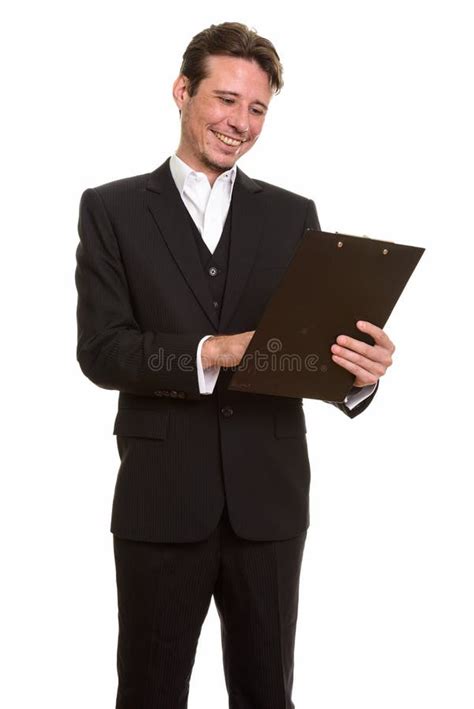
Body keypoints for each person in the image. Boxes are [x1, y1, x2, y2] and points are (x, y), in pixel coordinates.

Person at [75, 21, 395, 709]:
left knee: (267, 695)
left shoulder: (291, 214)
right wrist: (211, 350)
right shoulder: (112, 210)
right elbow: (101, 349)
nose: (239, 122)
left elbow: (308, 348)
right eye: (225, 100)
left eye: (256, 109)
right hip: (160, 501)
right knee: (150, 695)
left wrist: (359, 375)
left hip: (271, 504)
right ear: (182, 91)